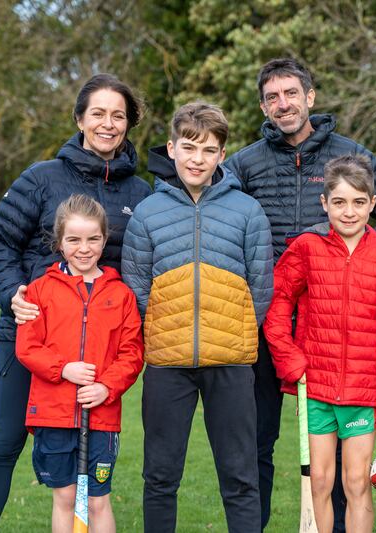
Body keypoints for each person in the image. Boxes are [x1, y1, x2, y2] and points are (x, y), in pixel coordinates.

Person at [223, 57, 376, 530]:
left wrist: (349, 268)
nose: (282, 103)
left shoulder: (353, 156)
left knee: (346, 463)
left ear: (310, 97)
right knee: (257, 441)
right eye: (272, 97)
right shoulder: (243, 164)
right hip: (267, 322)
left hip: (337, 328)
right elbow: (219, 224)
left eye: (291, 93)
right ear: (263, 106)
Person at [0, 74, 151, 532]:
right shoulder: (41, 177)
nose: (108, 124)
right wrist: (14, 295)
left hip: (97, 356)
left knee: (94, 471)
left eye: (118, 115)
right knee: (6, 440)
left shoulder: (141, 194)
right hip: (32, 336)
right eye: (98, 114)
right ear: (79, 119)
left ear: (129, 123)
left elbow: (139, 272)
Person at [121, 102, 273, 533]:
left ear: (222, 155)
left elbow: (261, 287)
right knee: (160, 477)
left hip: (231, 363)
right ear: (171, 149)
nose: (197, 159)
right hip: (168, 366)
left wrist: (231, 331)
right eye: (189, 148)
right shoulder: (149, 212)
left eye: (208, 150)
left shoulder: (247, 212)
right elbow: (137, 287)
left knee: (241, 479)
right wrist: (171, 329)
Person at [263, 154, 376, 533]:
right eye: (338, 202)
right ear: (324, 203)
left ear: (372, 203)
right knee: (319, 480)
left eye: (357, 202)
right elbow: (276, 302)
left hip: (361, 392)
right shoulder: (307, 248)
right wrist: (288, 357)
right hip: (315, 386)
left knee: (355, 482)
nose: (348, 212)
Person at [16, 194, 144, 533]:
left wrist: (107, 386)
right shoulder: (40, 291)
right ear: (59, 242)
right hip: (54, 414)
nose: (83, 248)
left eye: (93, 239)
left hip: (101, 418)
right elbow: (27, 347)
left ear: (105, 240)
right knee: (66, 497)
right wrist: (63, 369)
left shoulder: (122, 295)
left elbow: (131, 353)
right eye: (73, 239)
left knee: (98, 501)